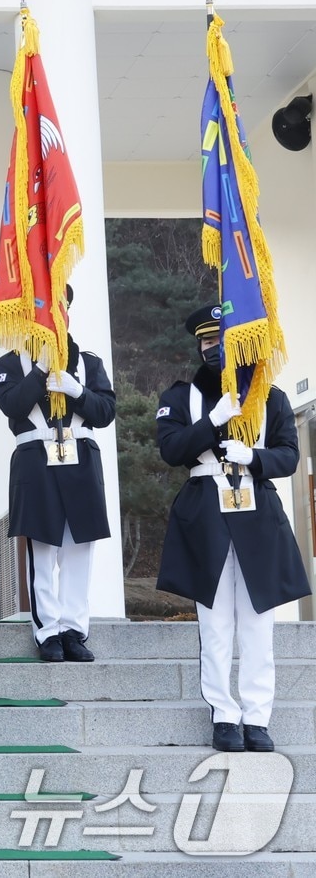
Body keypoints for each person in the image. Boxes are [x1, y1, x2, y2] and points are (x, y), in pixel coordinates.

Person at [155, 304, 311, 753]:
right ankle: (224, 715)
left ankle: (257, 718)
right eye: (206, 341)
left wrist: (254, 458)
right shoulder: (179, 396)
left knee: (259, 625)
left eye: (222, 340)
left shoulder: (271, 397)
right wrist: (213, 421)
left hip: (257, 515)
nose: (213, 348)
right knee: (217, 624)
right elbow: (171, 450)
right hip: (207, 516)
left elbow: (288, 454)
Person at [0, 288, 116, 663]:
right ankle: (47, 631)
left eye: (57, 309)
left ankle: (74, 630)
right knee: (42, 550)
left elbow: (105, 413)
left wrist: (77, 390)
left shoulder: (88, 362)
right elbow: (11, 405)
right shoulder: (11, 362)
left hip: (79, 456)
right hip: (35, 458)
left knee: (79, 550)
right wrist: (41, 370)